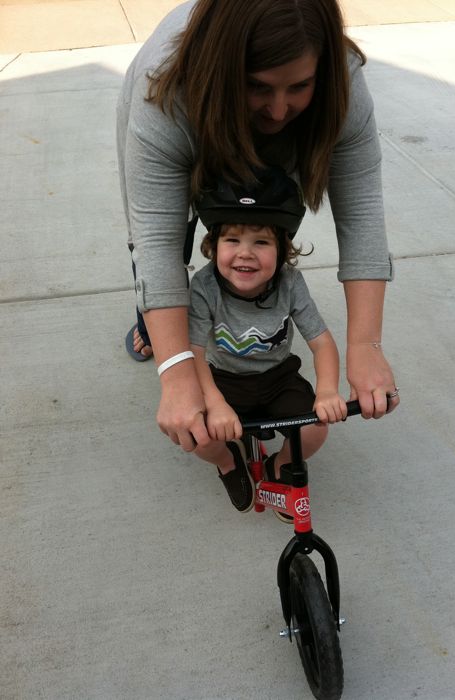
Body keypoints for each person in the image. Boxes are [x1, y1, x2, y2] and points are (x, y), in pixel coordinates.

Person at [116, 0, 400, 454]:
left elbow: (362, 209)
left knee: (258, 220)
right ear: (228, 73)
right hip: (189, 108)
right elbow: (155, 238)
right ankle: (150, 325)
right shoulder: (165, 89)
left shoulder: (342, 81)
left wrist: (366, 344)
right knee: (172, 244)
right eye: (258, 86)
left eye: (300, 86)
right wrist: (176, 368)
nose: (279, 109)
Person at [189, 168, 347, 518]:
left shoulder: (290, 283)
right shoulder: (204, 287)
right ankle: (229, 461)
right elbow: (194, 354)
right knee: (199, 436)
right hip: (223, 380)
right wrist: (214, 403)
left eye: (261, 242)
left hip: (278, 378)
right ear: (214, 245)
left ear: (282, 249)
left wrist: (327, 391)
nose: (245, 253)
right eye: (232, 240)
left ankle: (280, 464)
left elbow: (322, 342)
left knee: (314, 430)